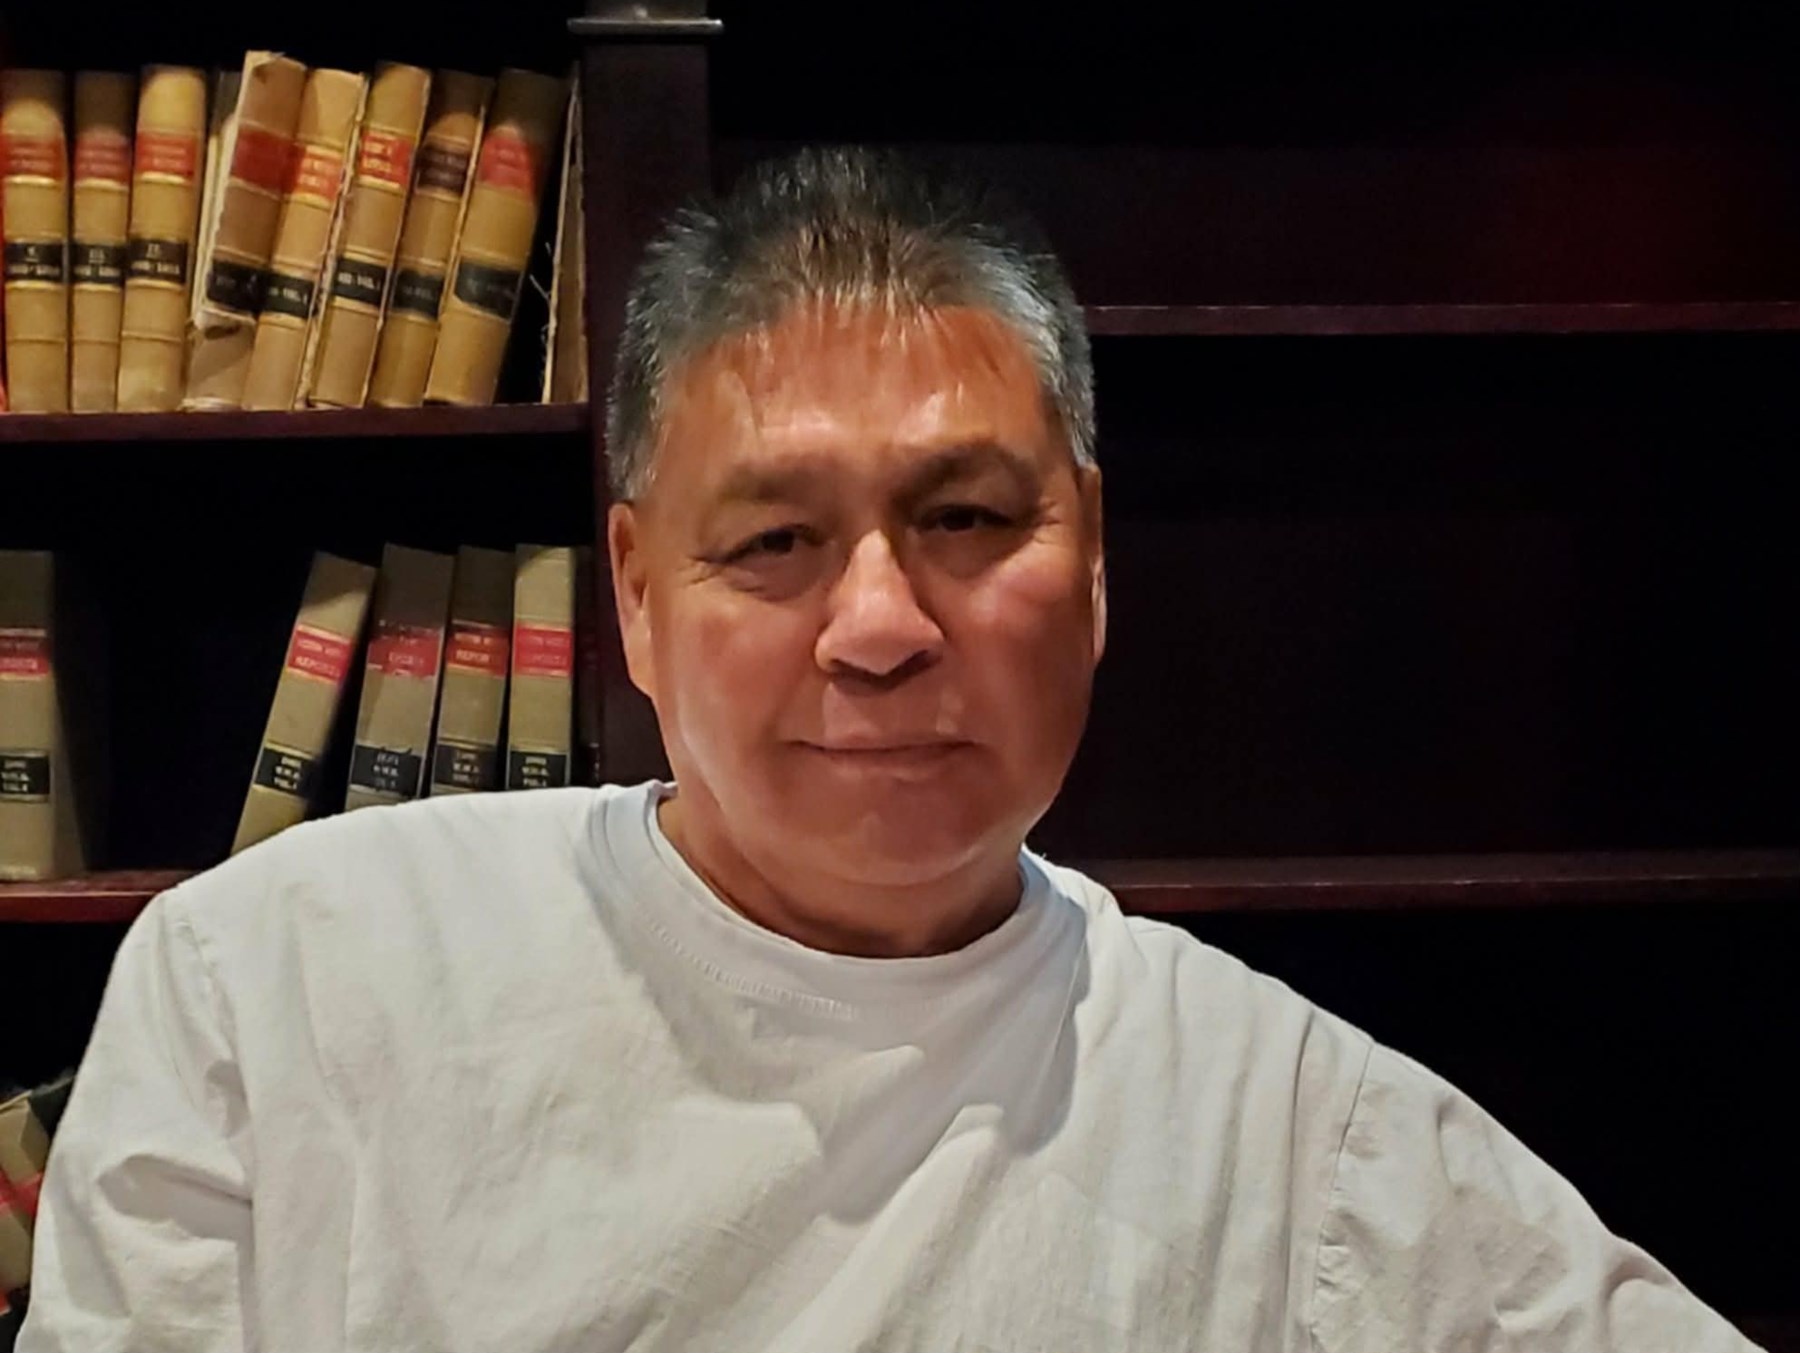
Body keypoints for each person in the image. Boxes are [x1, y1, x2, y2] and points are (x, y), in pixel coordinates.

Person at [23, 148, 1757, 1351]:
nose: (879, 624)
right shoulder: (279, 981)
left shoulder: (1297, 1126)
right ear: (637, 594)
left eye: (967, 517)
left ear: (1093, 561)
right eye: (774, 539)